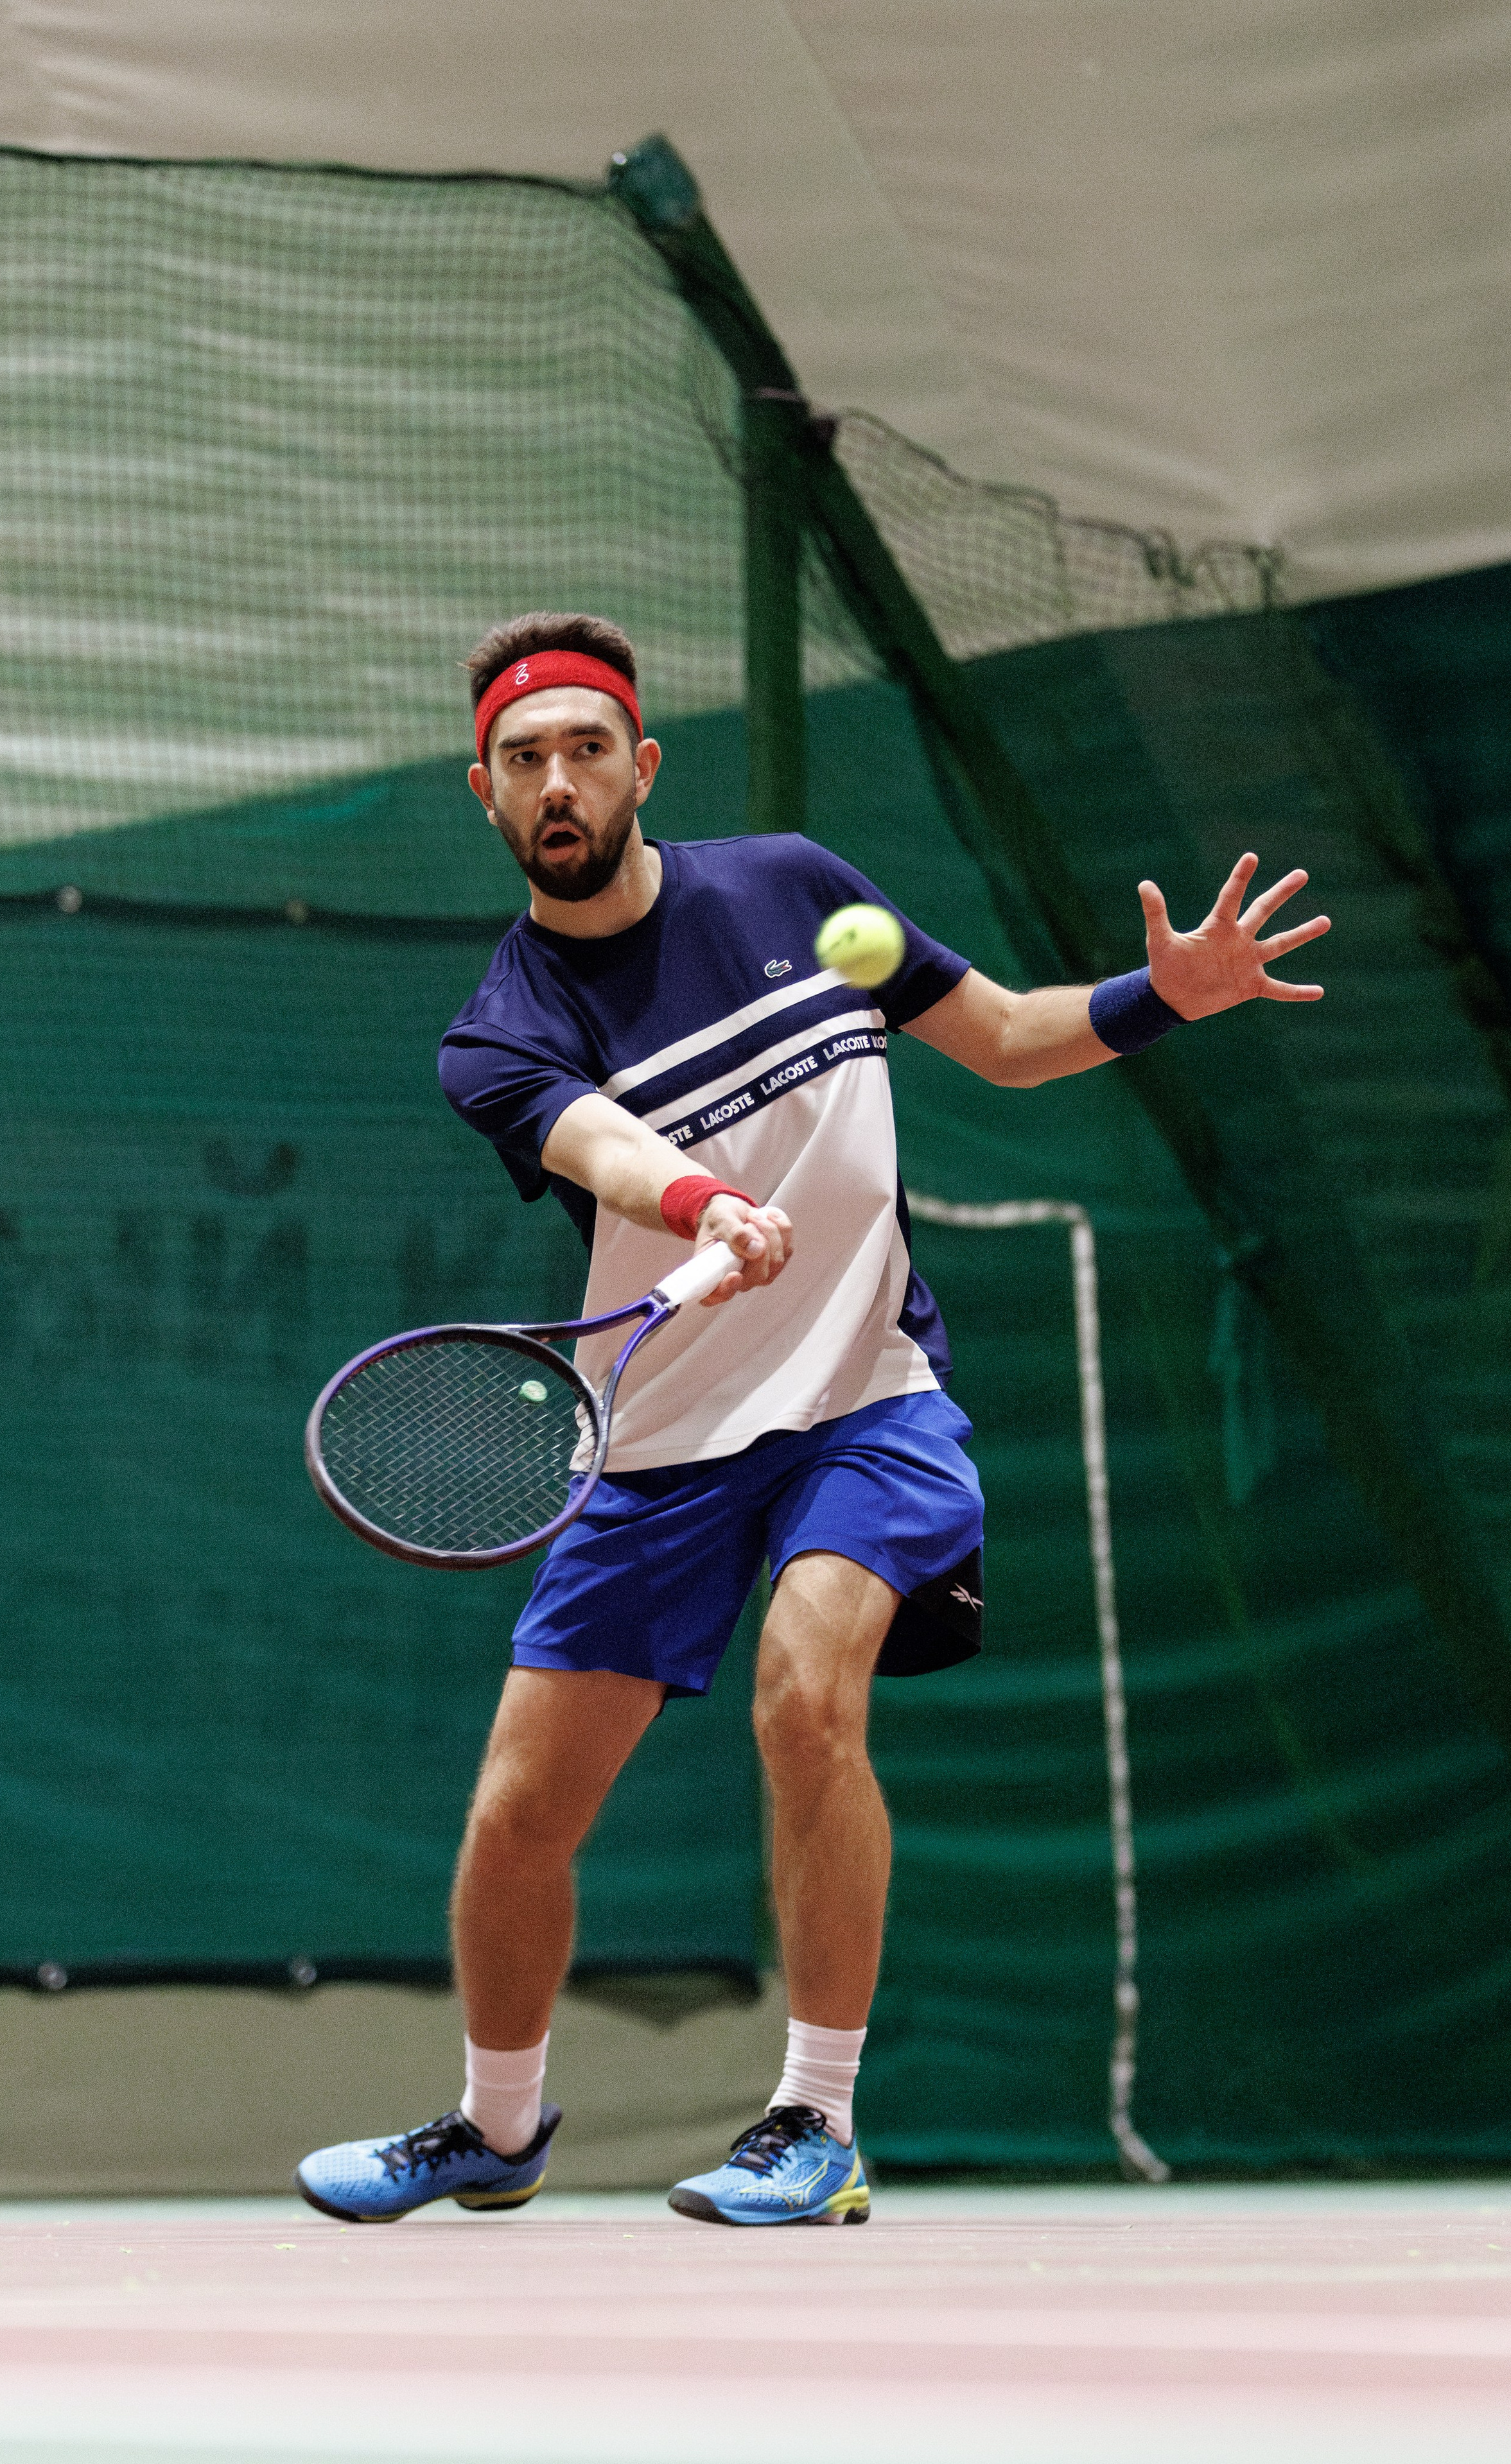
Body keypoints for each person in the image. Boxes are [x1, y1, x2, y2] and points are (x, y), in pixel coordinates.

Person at [295, 611, 1329, 2229]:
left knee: (803, 1690)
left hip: (866, 1397)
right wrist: (706, 1197)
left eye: (582, 748)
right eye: (521, 760)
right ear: (481, 794)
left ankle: (814, 2118)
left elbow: (996, 1037)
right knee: (515, 1815)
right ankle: (498, 2128)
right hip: (661, 1442)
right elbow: (604, 1150)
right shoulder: (496, 1029)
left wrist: (1162, 995)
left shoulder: (792, 885)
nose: (554, 781)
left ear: (641, 763)